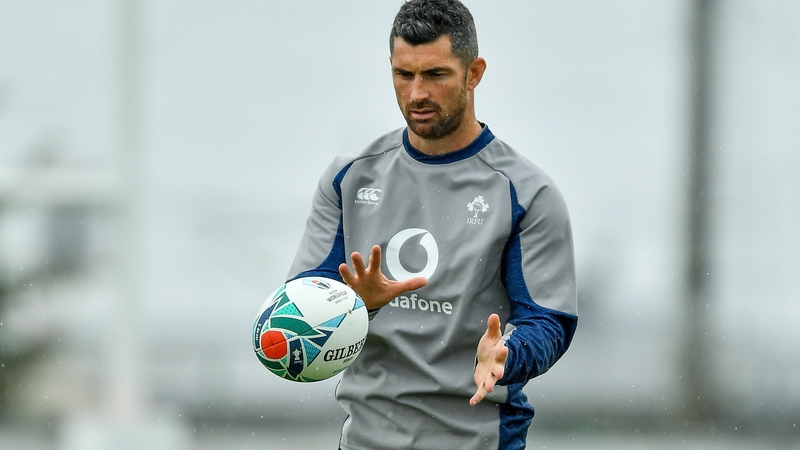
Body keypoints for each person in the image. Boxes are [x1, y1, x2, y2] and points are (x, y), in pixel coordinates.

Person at [286, 0, 577, 448]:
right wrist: (354, 306)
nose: (417, 92)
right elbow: (298, 324)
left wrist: (507, 354)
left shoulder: (526, 192)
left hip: (476, 439)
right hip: (365, 439)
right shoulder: (349, 179)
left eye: (435, 75)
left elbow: (548, 320)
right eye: (404, 75)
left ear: (474, 73)